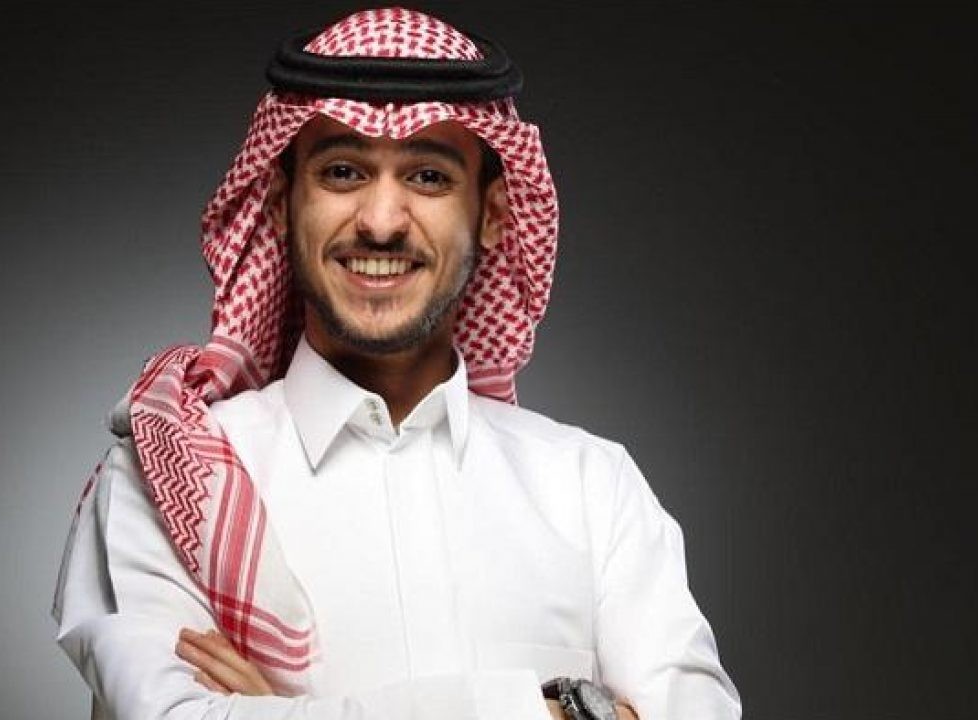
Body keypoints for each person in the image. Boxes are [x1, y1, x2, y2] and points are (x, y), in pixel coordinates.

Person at [52, 8, 740, 720]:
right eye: (342, 172)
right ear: (281, 203)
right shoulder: (164, 478)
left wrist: (287, 711)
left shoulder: (594, 491)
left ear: (494, 214)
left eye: (429, 176)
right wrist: (550, 713)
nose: (381, 221)